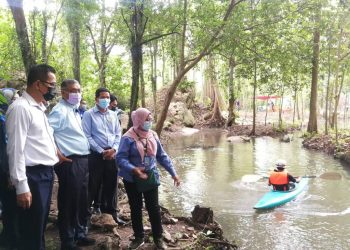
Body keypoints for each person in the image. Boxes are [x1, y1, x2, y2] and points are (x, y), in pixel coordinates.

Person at [6, 64, 59, 250]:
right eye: (51, 85)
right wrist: (21, 186)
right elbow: (15, 149)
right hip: (32, 176)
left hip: (44, 174)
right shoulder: (21, 108)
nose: (54, 89)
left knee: (38, 226)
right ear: (38, 84)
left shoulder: (39, 108)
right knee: (29, 229)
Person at [116, 107, 181, 250]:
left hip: (150, 177)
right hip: (132, 178)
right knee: (135, 207)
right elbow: (120, 158)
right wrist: (133, 169)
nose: (150, 121)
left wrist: (173, 173)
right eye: (147, 118)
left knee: (154, 208)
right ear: (139, 120)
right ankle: (139, 237)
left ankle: (158, 237)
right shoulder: (127, 137)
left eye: (151, 118)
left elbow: (162, 156)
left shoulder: (153, 135)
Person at [48, 79, 95, 249]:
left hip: (83, 160)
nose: (77, 93)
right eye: (73, 90)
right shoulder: (59, 111)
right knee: (69, 201)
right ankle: (67, 241)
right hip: (70, 161)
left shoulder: (74, 110)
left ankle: (79, 233)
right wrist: (56, 152)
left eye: (79, 90)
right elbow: (46, 133)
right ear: (63, 92)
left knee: (82, 199)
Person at [82, 87, 125, 225]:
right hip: (95, 156)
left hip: (112, 155)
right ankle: (86, 219)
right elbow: (86, 135)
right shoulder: (89, 115)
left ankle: (111, 215)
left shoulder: (113, 115)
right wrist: (101, 150)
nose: (106, 99)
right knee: (92, 185)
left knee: (111, 185)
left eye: (107, 97)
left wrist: (114, 149)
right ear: (96, 99)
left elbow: (118, 134)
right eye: (103, 97)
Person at [0, 88, 18, 249]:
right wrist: (9, 174)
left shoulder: (6, 116)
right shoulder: (2, 119)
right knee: (10, 205)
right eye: (14, 97)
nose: (16, 99)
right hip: (5, 169)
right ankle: (9, 239)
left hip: (7, 168)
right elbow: (6, 148)